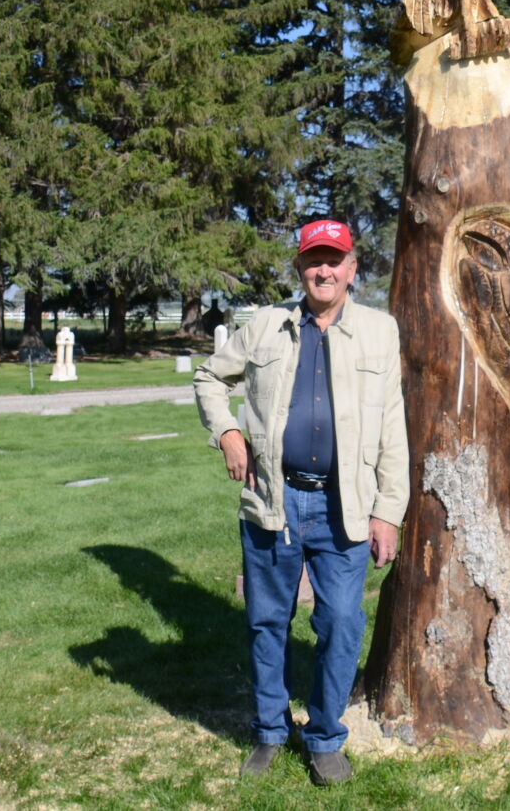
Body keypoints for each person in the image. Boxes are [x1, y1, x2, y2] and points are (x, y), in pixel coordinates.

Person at [194, 219, 409, 786]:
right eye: (314, 259)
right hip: (274, 499)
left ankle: (324, 736)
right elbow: (209, 378)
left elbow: (393, 426)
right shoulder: (265, 325)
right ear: (300, 268)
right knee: (267, 621)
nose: (324, 270)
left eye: (335, 259)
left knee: (340, 621)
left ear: (352, 268)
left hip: (347, 506)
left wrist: (389, 510)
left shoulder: (379, 332)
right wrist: (227, 434)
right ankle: (269, 732)